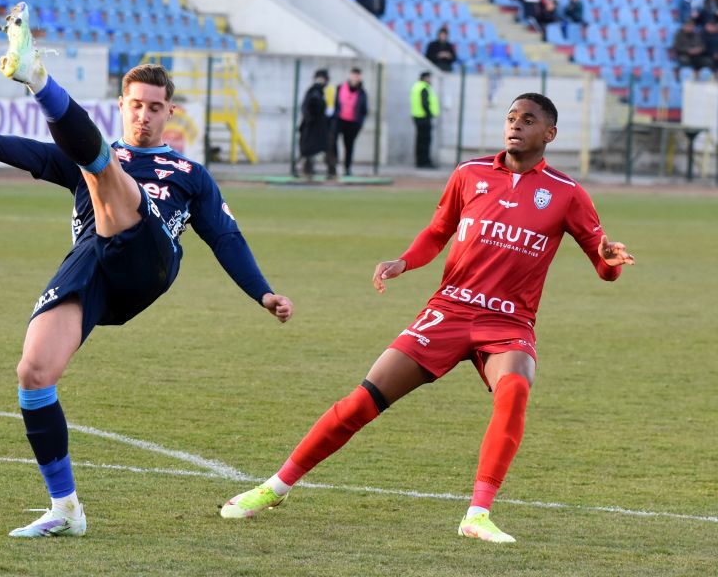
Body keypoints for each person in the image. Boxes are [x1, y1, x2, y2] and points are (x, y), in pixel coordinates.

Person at [221, 94, 634, 544]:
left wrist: (610, 259)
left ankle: (477, 515)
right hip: (449, 310)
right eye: (511, 117)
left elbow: (604, 266)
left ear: (549, 134)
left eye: (528, 120)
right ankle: (274, 487)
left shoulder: (566, 192)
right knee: (362, 400)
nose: (515, 125)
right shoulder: (469, 174)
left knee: (514, 388)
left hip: (509, 322)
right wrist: (404, 261)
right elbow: (439, 231)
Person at [0, 2, 293, 537]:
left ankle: (37, 77)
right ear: (121, 106)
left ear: (169, 114)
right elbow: (41, 156)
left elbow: (224, 236)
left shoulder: (189, 173)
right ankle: (65, 509)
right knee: (34, 374)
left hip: (150, 259)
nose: (144, 115)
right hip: (92, 266)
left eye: (156, 107)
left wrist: (263, 293)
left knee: (103, 172)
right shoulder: (93, 151)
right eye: (136, 105)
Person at [297, 68, 334, 179]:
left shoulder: (328, 91)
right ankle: (307, 171)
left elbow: (331, 108)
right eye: (319, 78)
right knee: (308, 151)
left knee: (328, 149)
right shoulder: (313, 91)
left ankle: (331, 172)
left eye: (322, 78)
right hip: (311, 126)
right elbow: (306, 108)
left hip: (323, 126)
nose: (320, 81)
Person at [331, 67, 368, 176]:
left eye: (358, 76)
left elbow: (364, 110)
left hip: (352, 123)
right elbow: (333, 103)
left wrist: (359, 123)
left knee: (349, 146)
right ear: (350, 75)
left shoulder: (362, 92)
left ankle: (347, 168)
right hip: (339, 120)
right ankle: (334, 164)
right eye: (354, 75)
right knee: (332, 141)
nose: (355, 78)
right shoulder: (340, 88)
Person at [410, 70, 438, 169]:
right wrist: (429, 114)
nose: (430, 80)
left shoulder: (417, 86)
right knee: (425, 141)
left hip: (418, 117)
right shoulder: (423, 88)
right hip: (424, 118)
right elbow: (425, 103)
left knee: (420, 141)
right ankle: (424, 162)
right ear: (425, 78)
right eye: (429, 78)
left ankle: (420, 161)